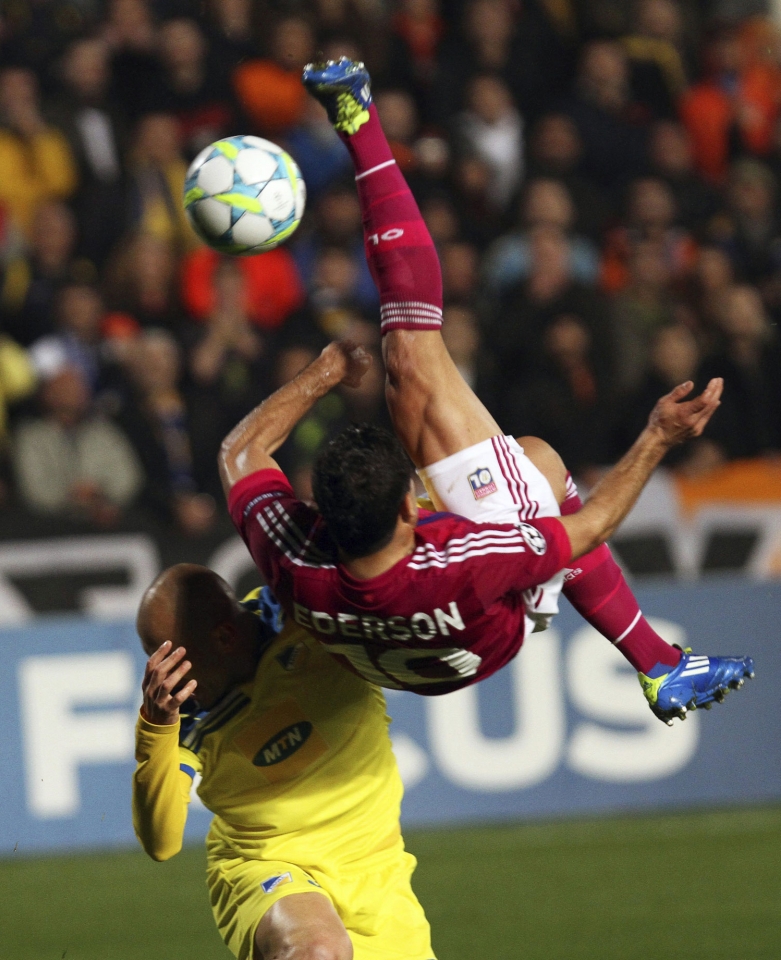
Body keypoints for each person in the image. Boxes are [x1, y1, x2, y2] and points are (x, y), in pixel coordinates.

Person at [218, 58, 753, 725]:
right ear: (413, 514)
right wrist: (656, 438)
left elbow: (240, 456)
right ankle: (358, 117)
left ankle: (655, 660)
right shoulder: (462, 558)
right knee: (413, 357)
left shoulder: (296, 559)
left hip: (368, 637)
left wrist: (319, 377)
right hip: (479, 623)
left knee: (535, 461)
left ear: (316, 514)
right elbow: (588, 530)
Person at [133, 564, 435, 960]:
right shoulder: (184, 715)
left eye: (177, 662)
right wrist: (156, 725)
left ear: (224, 638)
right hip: (263, 862)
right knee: (316, 951)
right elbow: (161, 843)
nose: (166, 679)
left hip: (376, 870)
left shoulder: (311, 618)